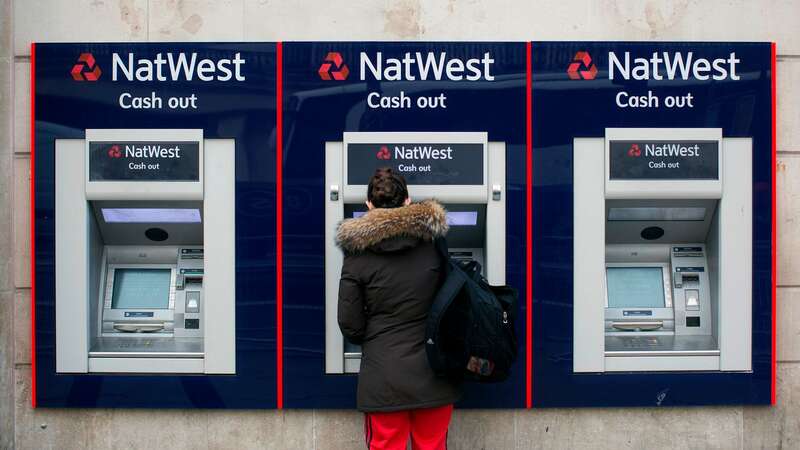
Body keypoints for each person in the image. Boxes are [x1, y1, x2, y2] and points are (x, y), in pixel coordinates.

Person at [336, 167, 461, 450]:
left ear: (368, 205)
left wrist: (377, 334)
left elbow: (350, 324)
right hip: (434, 370)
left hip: (384, 376)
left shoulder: (356, 256)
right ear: (408, 200)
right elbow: (452, 301)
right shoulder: (434, 243)